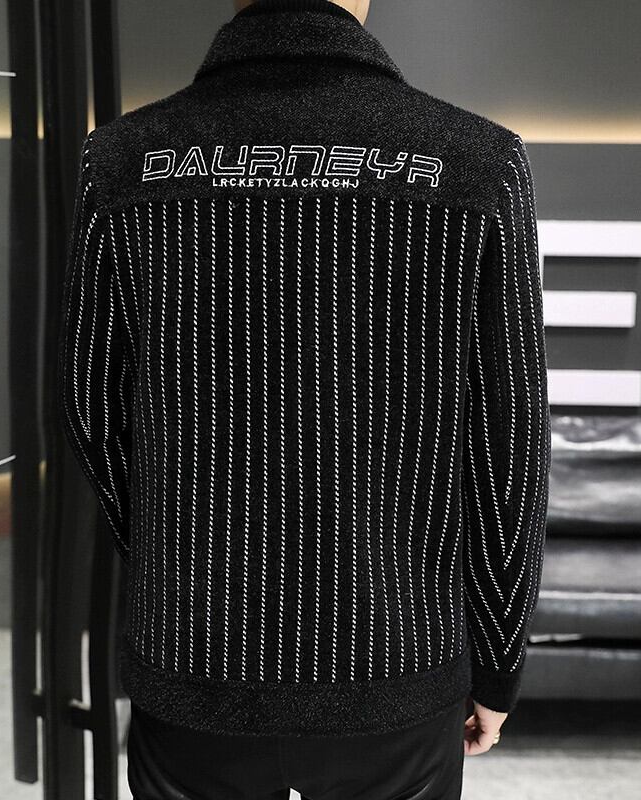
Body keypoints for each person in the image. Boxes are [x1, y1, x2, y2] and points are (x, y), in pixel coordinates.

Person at [57, 0, 552, 797]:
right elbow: (510, 441)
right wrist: (497, 660)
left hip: (192, 657)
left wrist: (175, 556)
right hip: (395, 662)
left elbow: (90, 407)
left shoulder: (121, 160)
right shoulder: (477, 162)